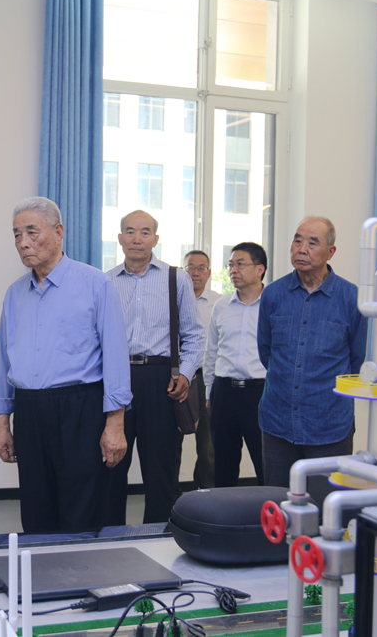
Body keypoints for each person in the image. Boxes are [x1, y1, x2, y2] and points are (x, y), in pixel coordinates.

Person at [0, 197, 132, 533]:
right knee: (36, 508)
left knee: (82, 507)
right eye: (16, 235)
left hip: (80, 409)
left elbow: (115, 357)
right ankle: (40, 565)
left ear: (58, 232)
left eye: (31, 232)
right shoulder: (14, 294)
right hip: (30, 410)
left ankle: (82, 566)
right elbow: (5, 361)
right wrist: (2, 424)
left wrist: (115, 424)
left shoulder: (95, 284)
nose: (23, 242)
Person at [257, 217, 367, 488]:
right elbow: (266, 351)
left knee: (326, 505)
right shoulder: (273, 294)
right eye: (297, 240)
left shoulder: (352, 298)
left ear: (331, 251)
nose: (302, 249)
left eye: (312, 243)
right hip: (278, 423)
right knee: (279, 501)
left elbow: (357, 359)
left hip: (329, 425)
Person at [108, 211, 203, 523]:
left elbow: (194, 334)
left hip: (161, 382)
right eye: (130, 231)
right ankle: (110, 538)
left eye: (145, 232)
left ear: (156, 239)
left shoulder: (177, 278)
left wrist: (185, 373)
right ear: (120, 238)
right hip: (116, 379)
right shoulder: (105, 281)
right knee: (110, 465)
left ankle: (158, 538)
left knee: (161, 471)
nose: (137, 238)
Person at [203, 242, 267, 487]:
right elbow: (211, 351)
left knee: (265, 462)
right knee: (223, 464)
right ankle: (224, 510)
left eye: (240, 264)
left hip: (260, 393)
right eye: (230, 265)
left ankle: (268, 510)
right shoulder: (222, 306)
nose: (233, 270)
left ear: (260, 269)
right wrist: (209, 392)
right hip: (224, 393)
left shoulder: (273, 304)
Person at [183, 250, 221, 489]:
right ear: (183, 271)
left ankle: (205, 493)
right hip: (178, 378)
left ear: (209, 273)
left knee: (208, 446)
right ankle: (171, 498)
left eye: (201, 268)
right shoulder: (172, 299)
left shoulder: (220, 303)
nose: (195, 273)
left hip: (206, 379)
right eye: (190, 267)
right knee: (170, 442)